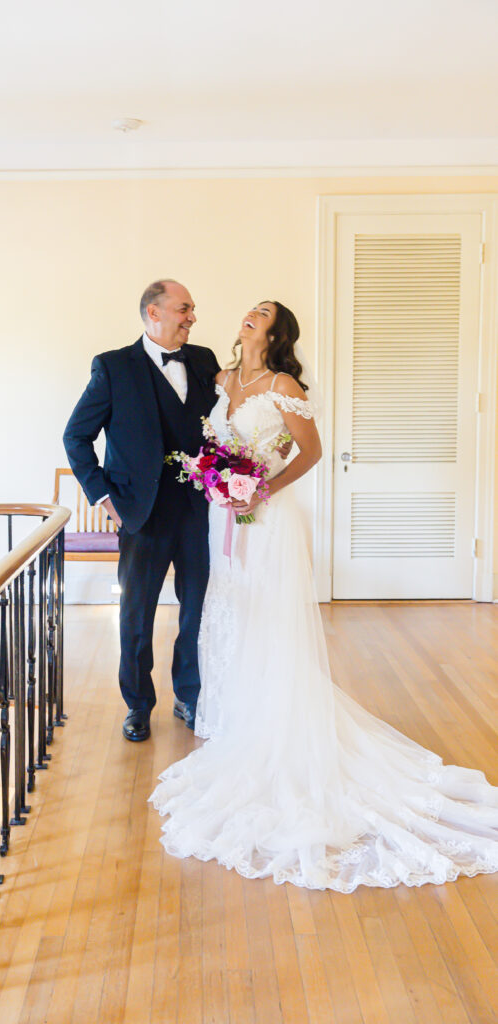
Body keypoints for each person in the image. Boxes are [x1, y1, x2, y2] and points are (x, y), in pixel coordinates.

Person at [149, 299, 498, 891]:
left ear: (278, 332)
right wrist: (217, 478)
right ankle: (237, 717)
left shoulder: (284, 384)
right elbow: (209, 440)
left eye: (261, 313)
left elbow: (307, 452)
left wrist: (258, 488)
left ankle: (276, 718)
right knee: (231, 612)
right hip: (222, 517)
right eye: (249, 310)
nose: (248, 315)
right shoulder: (222, 378)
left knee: (270, 617)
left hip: (267, 517)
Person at [63, 280, 220, 741]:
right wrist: (103, 497)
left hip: (199, 509)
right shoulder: (113, 367)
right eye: (183, 309)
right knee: (136, 614)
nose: (192, 318)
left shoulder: (205, 360)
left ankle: (188, 696)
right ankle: (137, 704)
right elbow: (76, 436)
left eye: (192, 310)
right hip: (140, 512)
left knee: (197, 610)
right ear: (154, 312)